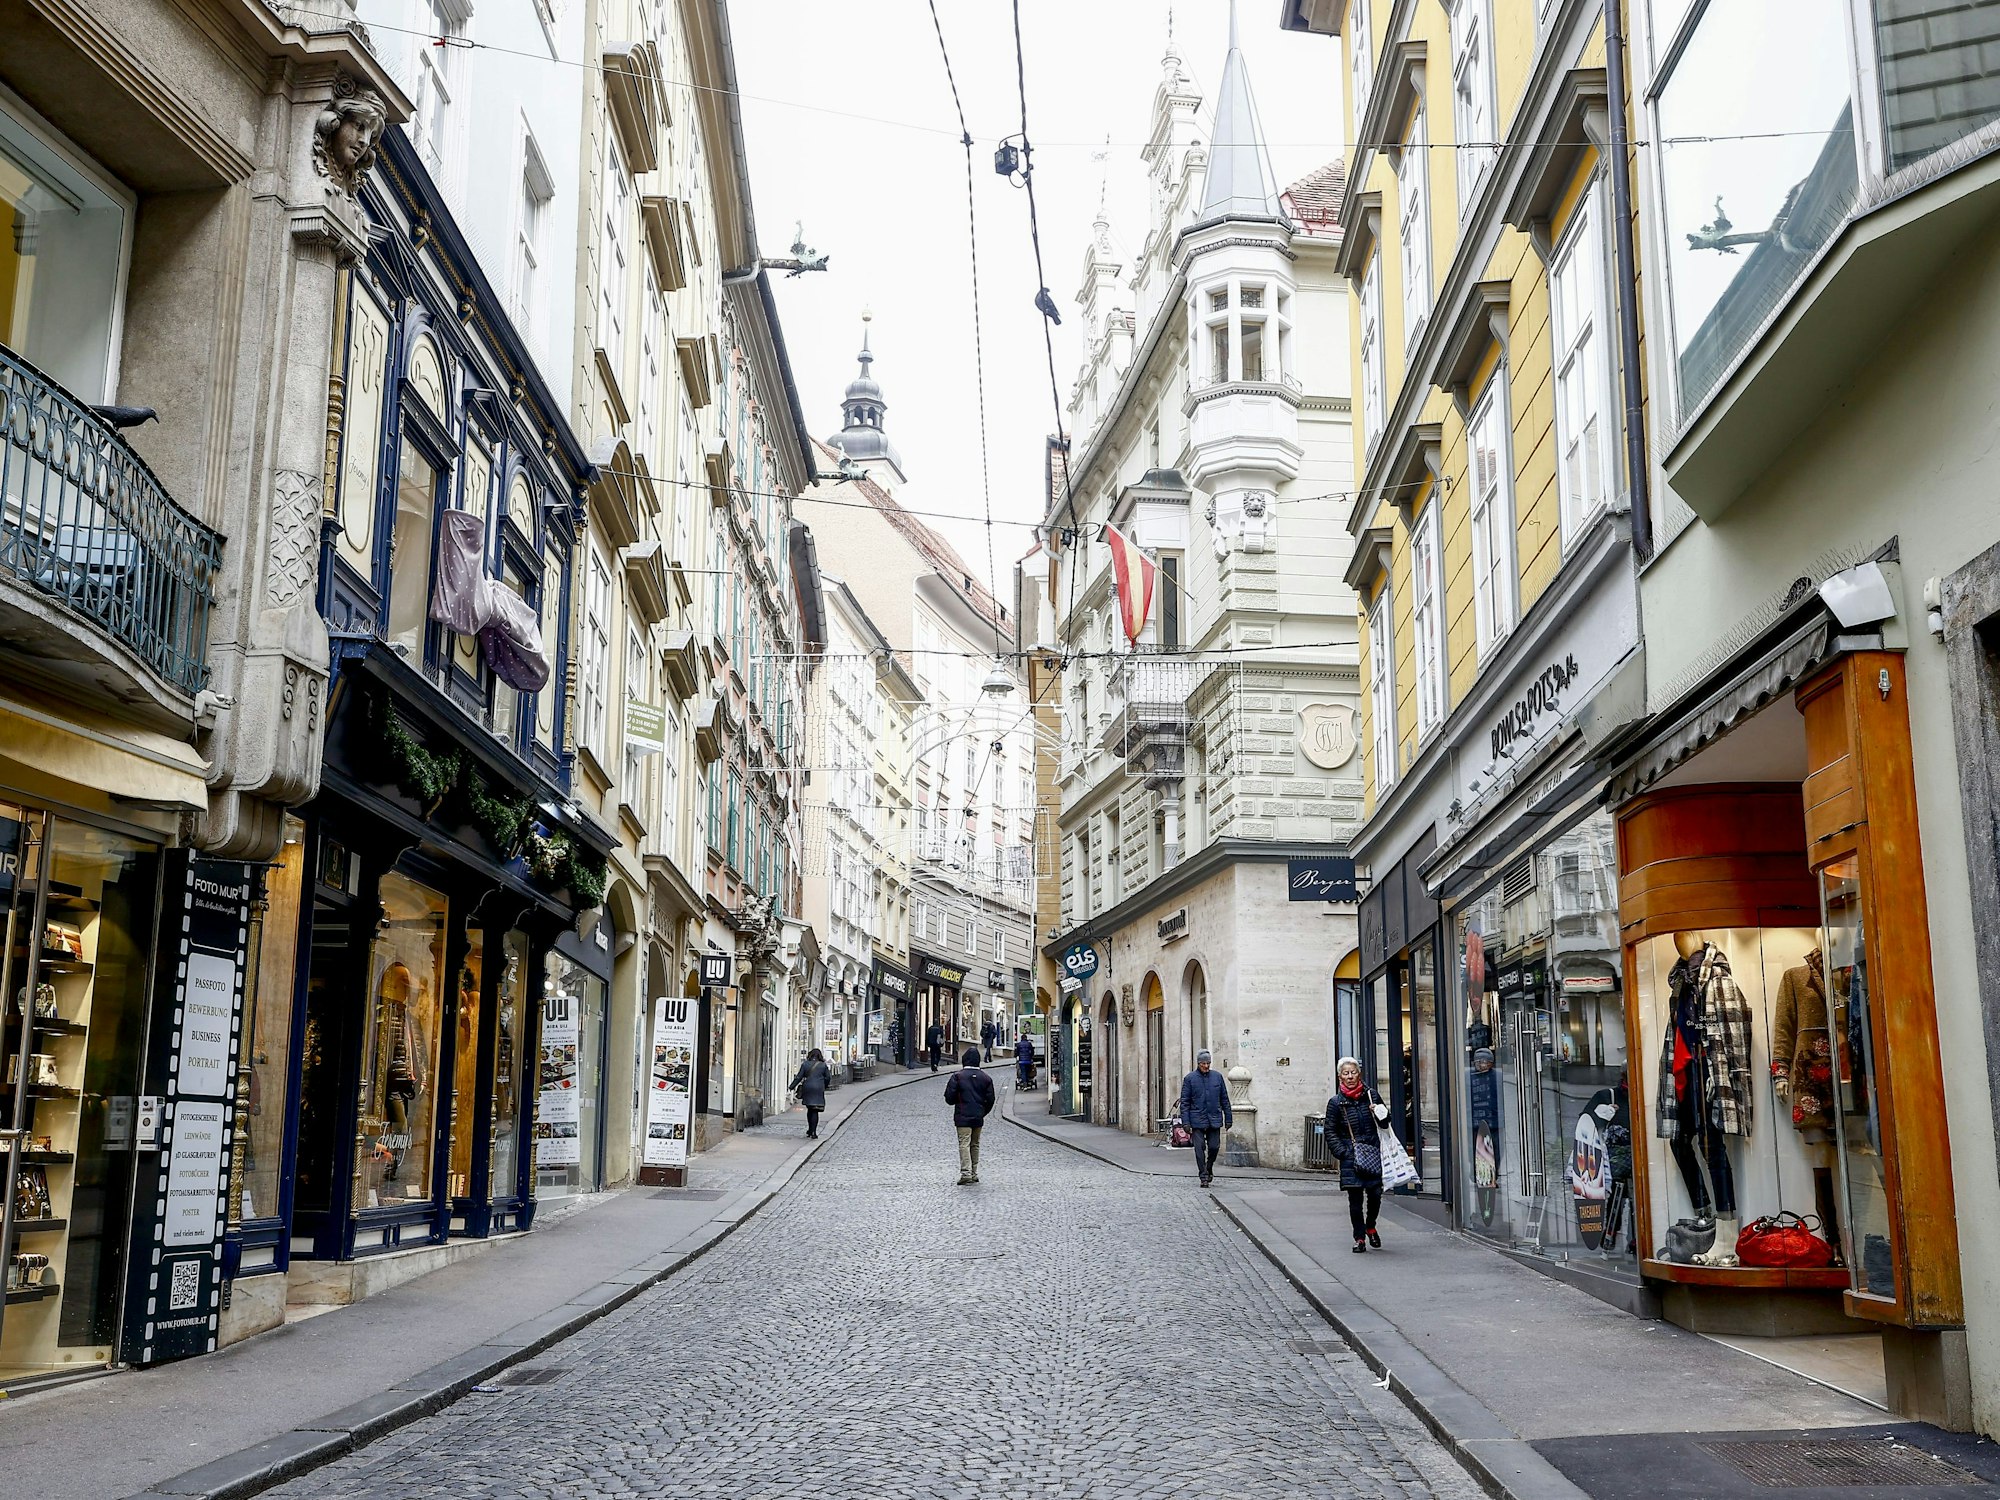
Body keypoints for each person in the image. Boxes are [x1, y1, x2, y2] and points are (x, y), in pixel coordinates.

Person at [1325, 1056, 1391, 1252]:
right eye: (1346, 1073)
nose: (1350, 1076)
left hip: (1372, 1153)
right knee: (1355, 1201)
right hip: (1351, 1157)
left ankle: (1371, 1226)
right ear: (1340, 1077)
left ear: (1359, 1074)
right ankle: (1359, 1238)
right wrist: (1342, 1153)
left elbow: (1386, 1123)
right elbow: (1330, 1130)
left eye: (1353, 1072)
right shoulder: (1336, 1103)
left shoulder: (1372, 1096)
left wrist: (1379, 1112)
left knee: (1376, 1195)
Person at [1177, 1049, 1233, 1188]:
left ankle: (1209, 1167)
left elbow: (1224, 1099)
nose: (1206, 1066)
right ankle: (1203, 1176)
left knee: (1214, 1147)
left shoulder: (1217, 1077)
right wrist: (1186, 1122)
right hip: (1197, 1120)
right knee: (1199, 1149)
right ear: (1198, 1063)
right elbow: (1185, 1102)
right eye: (1203, 1063)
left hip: (1214, 1118)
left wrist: (1228, 1118)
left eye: (1208, 1063)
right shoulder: (1190, 1079)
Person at [944, 1046, 996, 1184]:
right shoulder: (986, 1078)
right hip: (978, 1117)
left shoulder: (958, 1077)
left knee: (964, 1144)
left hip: (963, 1116)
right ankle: (973, 1173)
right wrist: (982, 1112)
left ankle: (966, 1173)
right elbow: (990, 1100)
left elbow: (949, 1098)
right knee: (975, 1144)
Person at [789, 1048, 830, 1139]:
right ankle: (813, 1132)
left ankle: (810, 1129)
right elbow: (828, 1078)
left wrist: (792, 1086)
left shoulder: (805, 1064)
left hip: (808, 1088)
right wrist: (824, 1085)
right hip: (818, 1088)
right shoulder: (823, 1066)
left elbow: (799, 1077)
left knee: (810, 1109)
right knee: (815, 1110)